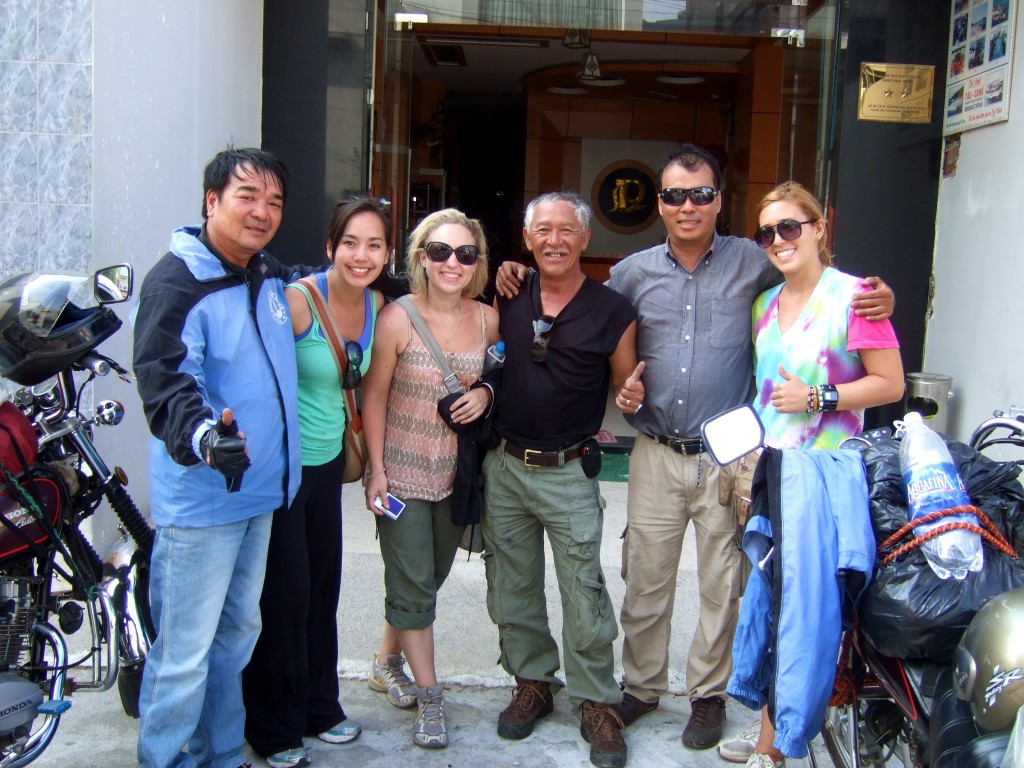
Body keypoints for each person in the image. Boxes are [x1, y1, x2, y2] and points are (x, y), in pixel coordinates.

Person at [496, 143, 893, 761]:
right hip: (655, 447)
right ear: (659, 204)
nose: (688, 206)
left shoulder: (751, 262)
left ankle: (708, 691)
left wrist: (878, 297)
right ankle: (645, 686)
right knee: (645, 578)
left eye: (701, 194)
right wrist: (512, 274)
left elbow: (812, 278)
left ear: (718, 201)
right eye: (676, 195)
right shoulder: (629, 273)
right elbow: (578, 306)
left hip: (730, 453)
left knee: (722, 579)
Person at [133, 147, 304, 768]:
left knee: (237, 638)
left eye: (275, 201)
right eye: (247, 197)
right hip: (205, 498)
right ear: (211, 202)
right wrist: (207, 436)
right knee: (183, 654)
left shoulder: (265, 274)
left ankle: (223, 753)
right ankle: (167, 759)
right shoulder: (177, 281)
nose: (262, 212)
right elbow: (166, 379)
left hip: (259, 494)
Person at [728, 181, 903, 768]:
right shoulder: (764, 304)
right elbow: (764, 394)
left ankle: (780, 747)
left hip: (828, 476)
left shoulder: (856, 296)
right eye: (767, 232)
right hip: (774, 472)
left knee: (807, 612)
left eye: (790, 227)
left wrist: (820, 396)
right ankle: (767, 738)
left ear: (819, 227)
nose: (778, 240)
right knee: (769, 600)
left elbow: (890, 384)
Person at [483, 191, 640, 768]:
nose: (554, 240)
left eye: (566, 230)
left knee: (584, 590)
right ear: (527, 240)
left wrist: (630, 395)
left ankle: (597, 700)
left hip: (570, 471)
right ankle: (532, 682)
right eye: (542, 230)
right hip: (504, 466)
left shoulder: (612, 310)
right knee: (512, 584)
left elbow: (627, 387)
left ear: (584, 239)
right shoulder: (506, 292)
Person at [241, 195, 392, 768]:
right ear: (329, 247)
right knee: (285, 596)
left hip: (329, 465)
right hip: (284, 471)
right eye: (350, 242)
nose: (361, 254)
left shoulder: (380, 303)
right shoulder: (298, 302)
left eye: (374, 244)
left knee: (322, 590)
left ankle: (319, 708)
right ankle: (274, 728)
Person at [361, 208, 499, 749]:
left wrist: (486, 392)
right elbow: (372, 396)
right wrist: (377, 469)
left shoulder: (489, 320)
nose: (452, 263)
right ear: (421, 257)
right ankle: (430, 695)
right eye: (440, 251)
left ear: (477, 262)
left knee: (428, 576)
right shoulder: (397, 317)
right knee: (415, 583)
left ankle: (383, 661)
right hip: (401, 475)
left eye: (465, 254)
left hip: (457, 477)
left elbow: (501, 376)